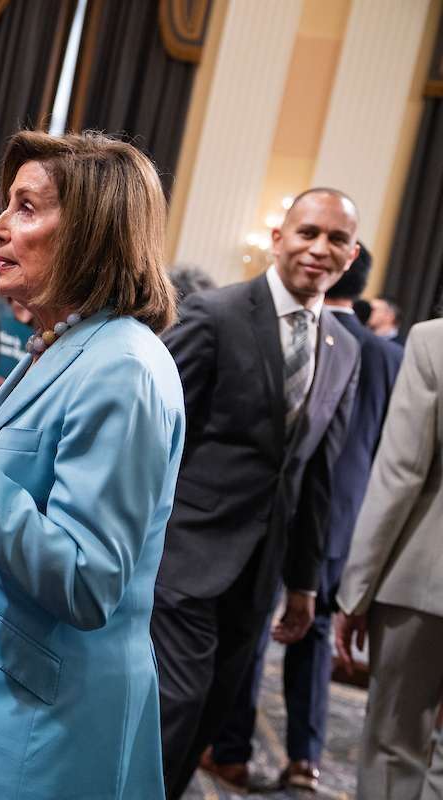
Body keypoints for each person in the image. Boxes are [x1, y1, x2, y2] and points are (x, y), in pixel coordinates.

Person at [0, 130, 184, 799]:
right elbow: (19, 479)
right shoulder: (71, 342)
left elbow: (86, 580)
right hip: (14, 699)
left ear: (90, 234)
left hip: (48, 732)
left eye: (25, 207)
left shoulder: (122, 369)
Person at [153, 187, 362, 799]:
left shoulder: (344, 349)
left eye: (337, 240)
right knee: (173, 704)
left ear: (352, 255)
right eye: (308, 233)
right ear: (279, 238)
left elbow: (316, 477)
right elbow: (154, 430)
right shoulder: (215, 315)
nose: (320, 248)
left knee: (209, 714)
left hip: (260, 573)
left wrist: (302, 584)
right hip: (181, 553)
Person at [203, 242, 403, 792]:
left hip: (279, 515)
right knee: (313, 635)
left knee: (253, 631)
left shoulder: (304, 337)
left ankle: (233, 751)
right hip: (345, 519)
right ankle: (304, 758)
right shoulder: (389, 355)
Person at [335, 317, 443, 800]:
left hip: (423, 579)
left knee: (394, 748)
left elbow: (401, 474)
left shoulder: (433, 341)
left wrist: (355, 592)